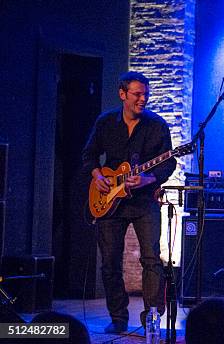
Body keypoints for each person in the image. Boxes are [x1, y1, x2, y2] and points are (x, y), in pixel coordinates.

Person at [82, 72, 176, 334]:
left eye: (146, 94)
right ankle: (118, 318)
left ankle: (152, 319)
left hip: (144, 201)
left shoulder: (157, 125)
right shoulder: (105, 122)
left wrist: (148, 180)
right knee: (110, 261)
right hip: (109, 200)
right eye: (137, 94)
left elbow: (169, 162)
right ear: (122, 94)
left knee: (151, 259)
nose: (143, 99)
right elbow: (88, 155)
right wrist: (97, 175)